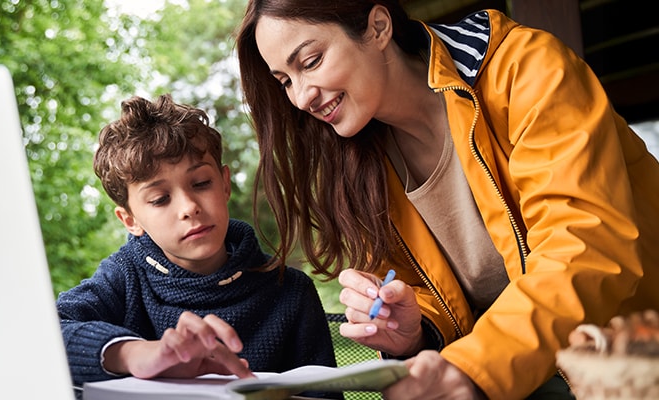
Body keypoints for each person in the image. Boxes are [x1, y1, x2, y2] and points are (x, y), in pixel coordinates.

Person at [235, 1, 659, 399]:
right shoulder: (359, 164)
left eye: (310, 62)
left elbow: (585, 248)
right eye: (285, 81)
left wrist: (473, 367)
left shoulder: (525, 69)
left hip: (631, 361)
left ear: (378, 27)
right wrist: (411, 330)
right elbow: (427, 296)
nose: (301, 96)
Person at [55, 94, 338, 393]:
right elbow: (45, 334)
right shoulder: (123, 277)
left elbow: (325, 395)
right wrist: (134, 354)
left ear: (225, 184)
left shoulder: (291, 291)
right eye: (160, 199)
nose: (189, 206)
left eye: (201, 183)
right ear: (130, 220)